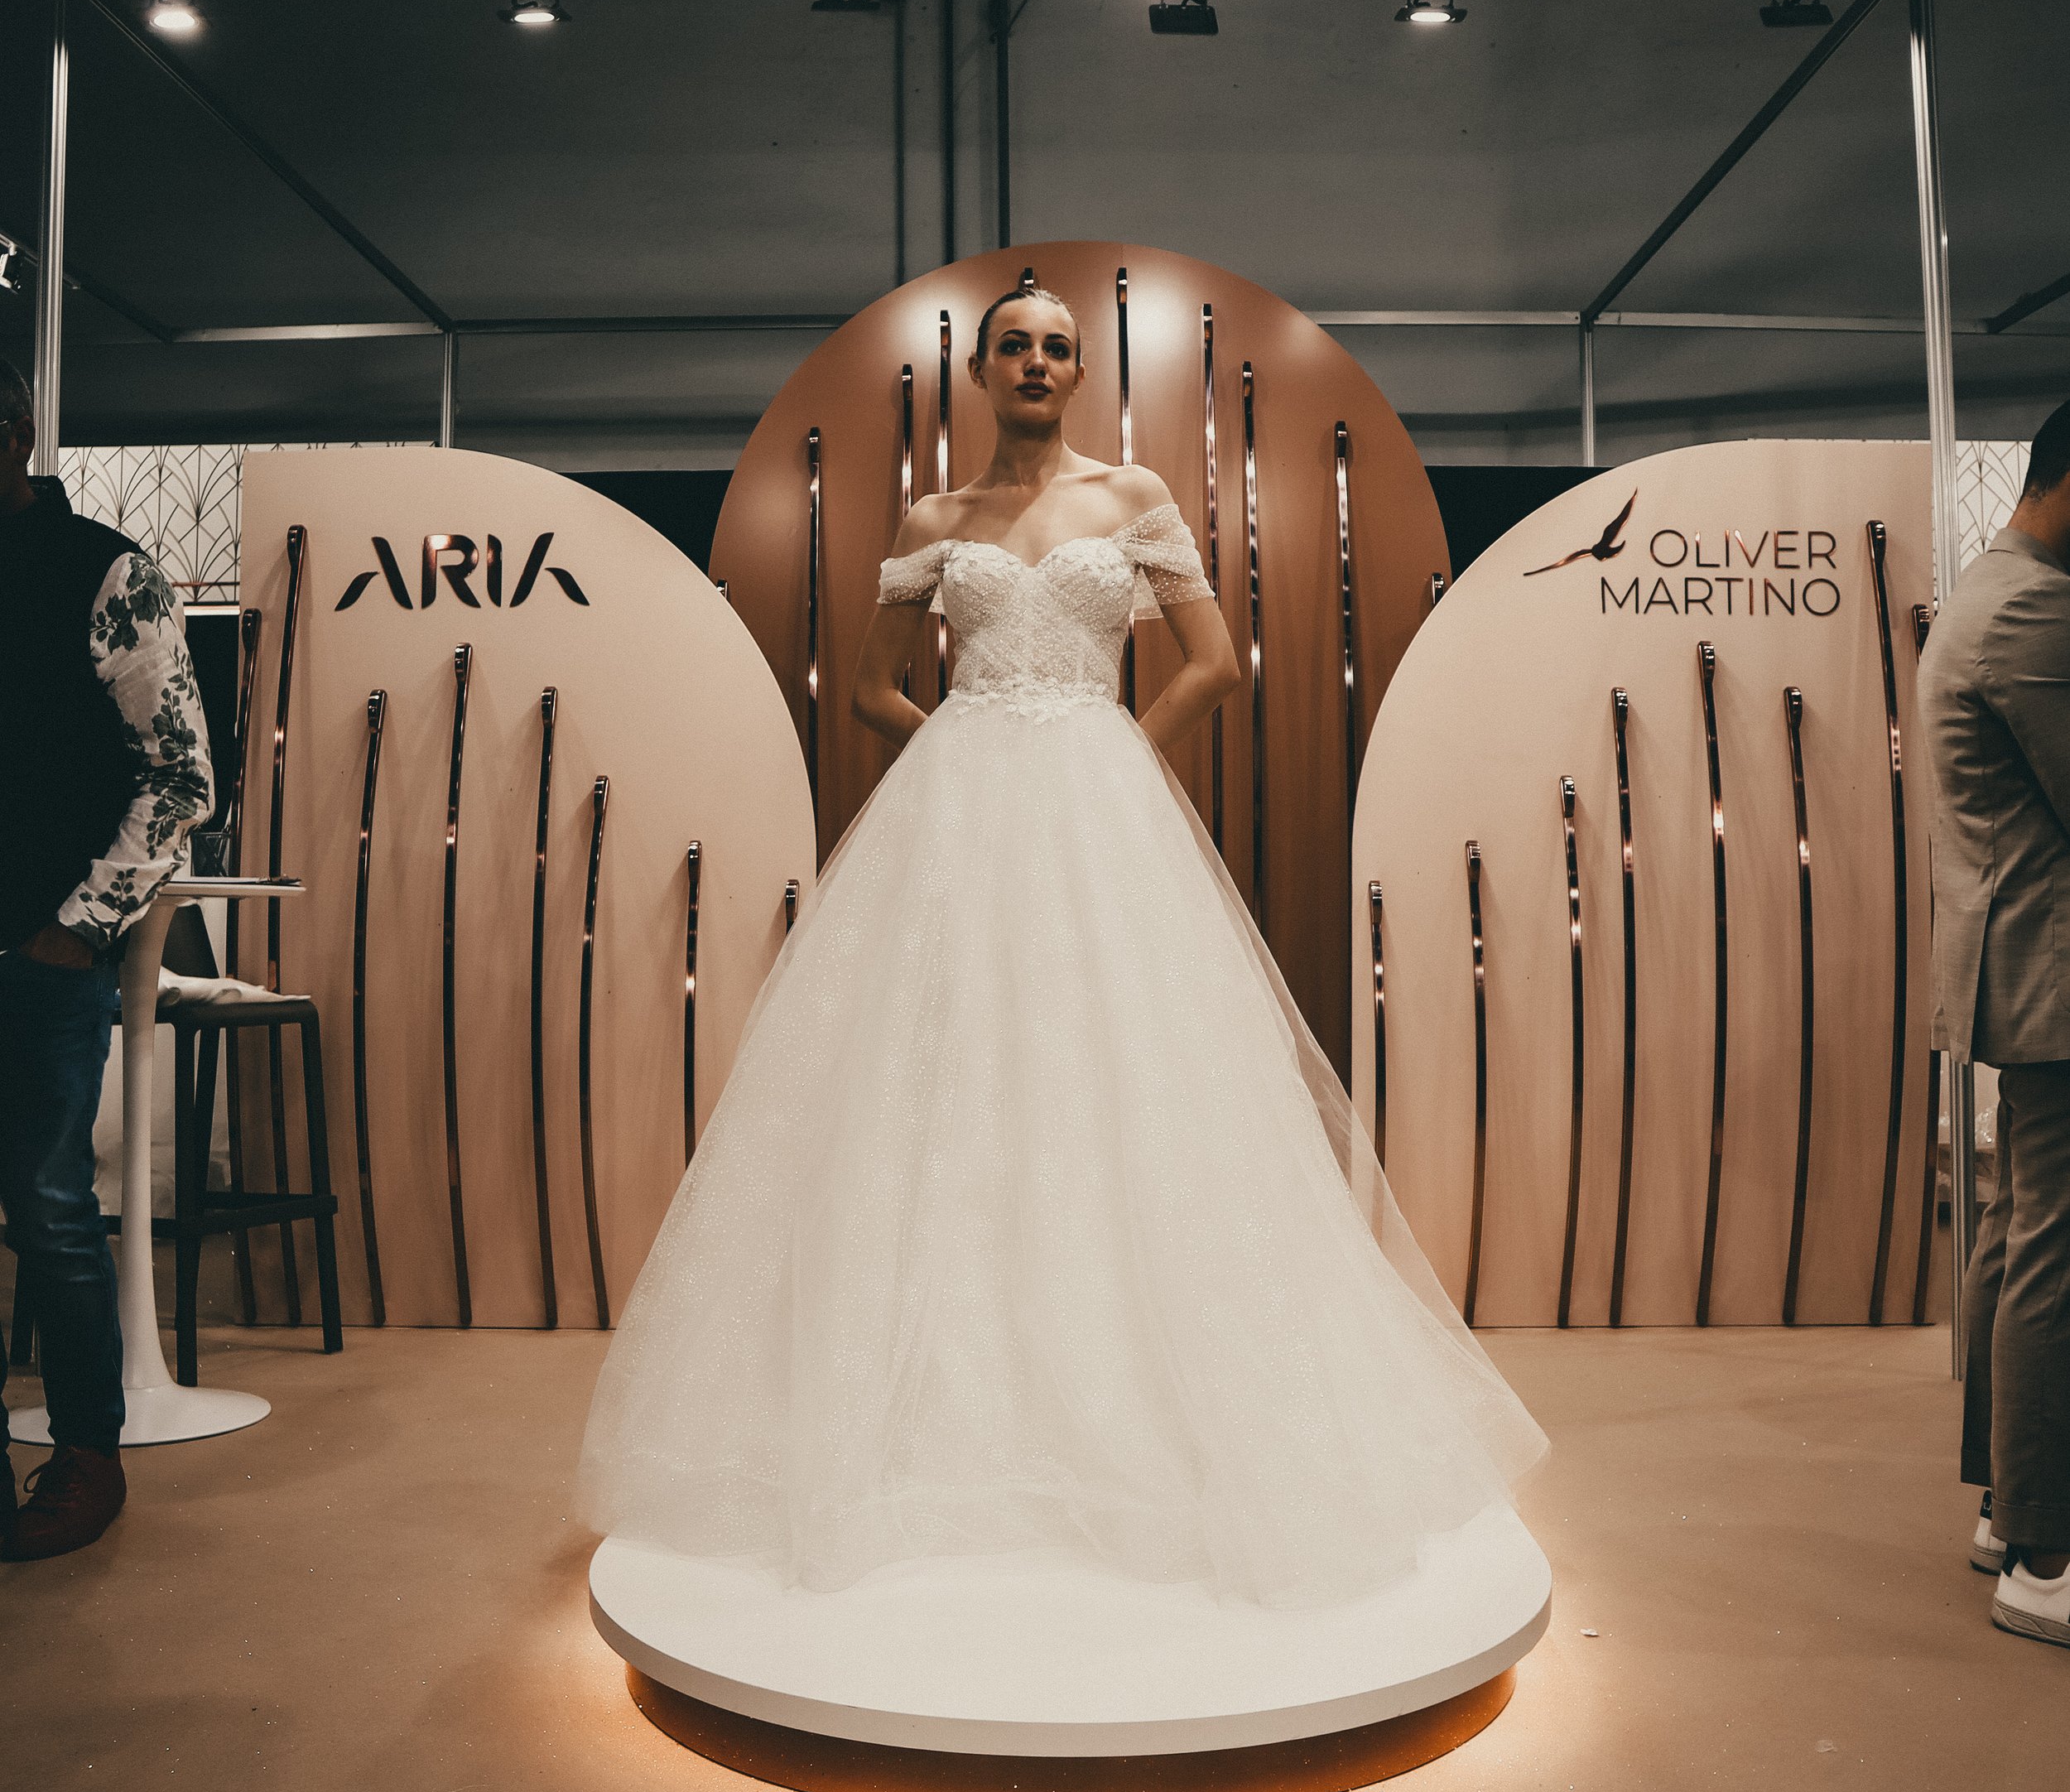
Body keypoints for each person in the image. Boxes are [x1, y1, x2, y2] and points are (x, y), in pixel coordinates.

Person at [579, 283, 1544, 1607]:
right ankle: (935, 1415)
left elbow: (1216, 661)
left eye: (1057, 348)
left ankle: (1141, 1405)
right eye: (1015, 345)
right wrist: (966, 759)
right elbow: (868, 687)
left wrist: (1104, 750)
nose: (1035, 361)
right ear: (978, 370)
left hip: (1098, 805)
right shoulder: (933, 520)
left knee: (1119, 1069)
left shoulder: (1134, 495)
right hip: (964, 814)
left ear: (1078, 371)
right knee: (939, 1085)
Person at [0, 362, 214, 1560]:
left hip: (40, 946)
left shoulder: (104, 569)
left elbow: (181, 776)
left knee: (48, 1211)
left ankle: (87, 1452)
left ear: (14, 429)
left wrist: (79, 922)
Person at [1918, 396, 2070, 1650]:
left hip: (2019, 965)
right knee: (2053, 1251)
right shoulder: (2032, 607)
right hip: (2056, 974)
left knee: (2021, 1229)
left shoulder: (1988, 587)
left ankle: (2005, 1507)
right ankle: (2046, 1548)